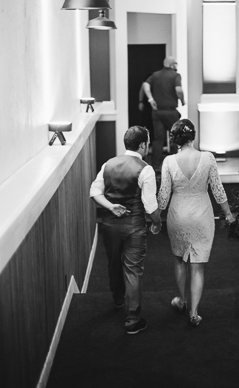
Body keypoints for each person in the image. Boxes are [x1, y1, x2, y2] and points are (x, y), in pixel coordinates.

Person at [156, 119, 235, 327]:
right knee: (197, 267)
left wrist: (155, 218)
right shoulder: (208, 158)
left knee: (180, 260)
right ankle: (194, 312)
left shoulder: (169, 161)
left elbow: (163, 196)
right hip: (202, 214)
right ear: (194, 136)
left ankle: (181, 300)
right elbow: (218, 189)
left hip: (178, 214)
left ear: (173, 139)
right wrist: (228, 213)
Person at [89, 126, 162, 335]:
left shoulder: (108, 164)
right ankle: (132, 319)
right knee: (133, 270)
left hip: (110, 225)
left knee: (113, 263)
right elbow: (150, 206)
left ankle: (118, 298)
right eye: (147, 143)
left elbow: (95, 191)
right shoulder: (145, 169)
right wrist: (157, 223)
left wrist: (110, 206)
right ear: (142, 145)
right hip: (134, 228)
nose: (148, 146)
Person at [142, 56, 185, 170]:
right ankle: (173, 166)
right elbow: (178, 90)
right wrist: (182, 100)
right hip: (171, 112)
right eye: (175, 63)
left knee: (158, 140)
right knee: (175, 138)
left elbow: (145, 85)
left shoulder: (155, 75)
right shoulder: (176, 75)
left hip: (157, 112)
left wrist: (151, 99)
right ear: (172, 65)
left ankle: (156, 167)